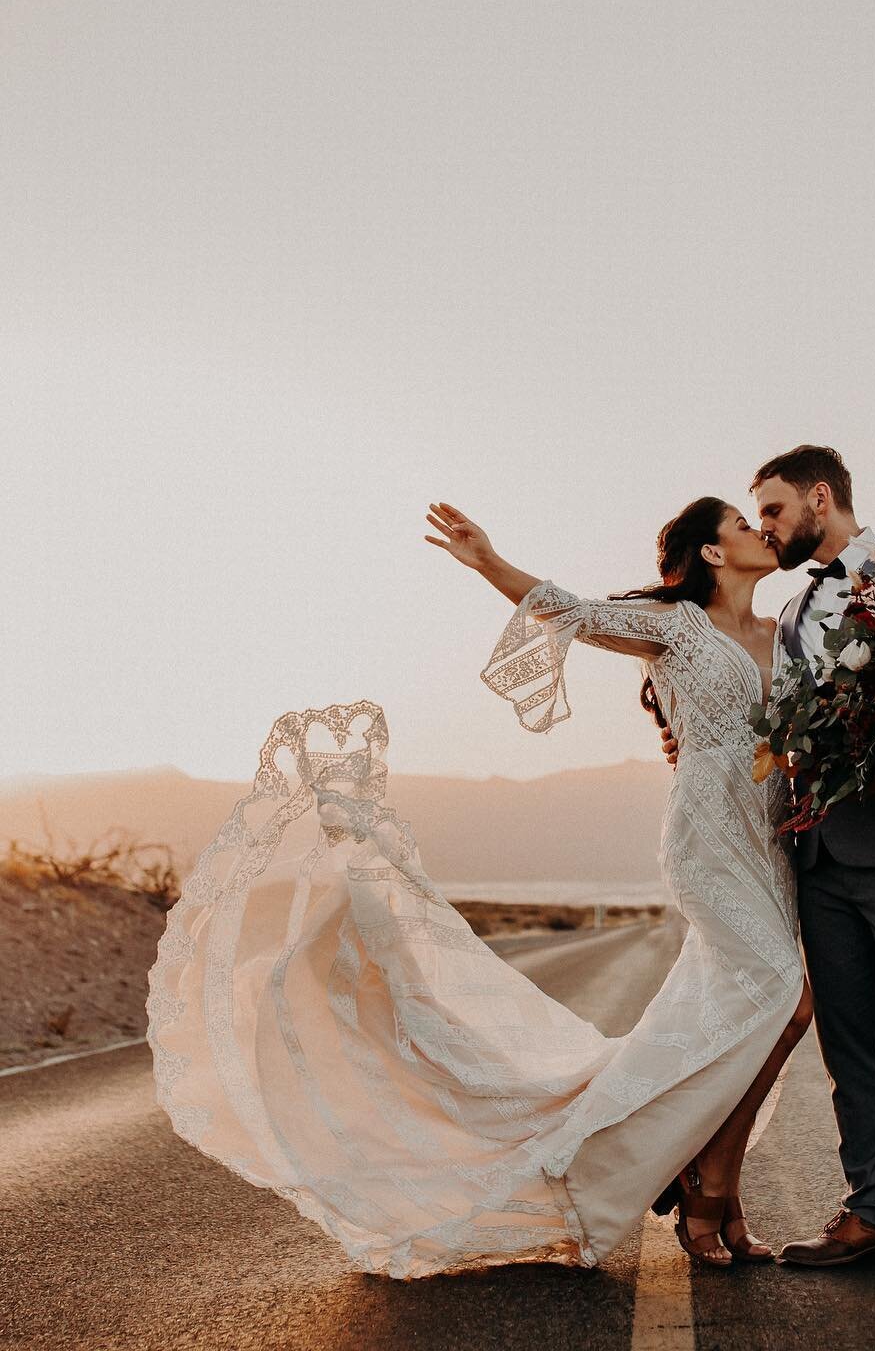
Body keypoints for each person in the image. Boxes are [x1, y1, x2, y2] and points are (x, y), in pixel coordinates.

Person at [146, 496, 814, 1278]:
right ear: (709, 551)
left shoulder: (785, 635)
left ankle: (710, 1182)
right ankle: (709, 1186)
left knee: (756, 1014)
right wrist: (489, 560)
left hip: (771, 840)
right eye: (743, 523)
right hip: (707, 838)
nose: (760, 532)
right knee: (786, 997)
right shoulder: (674, 628)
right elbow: (570, 609)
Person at [659, 446, 875, 1271]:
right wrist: (691, 736)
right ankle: (872, 1214)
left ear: (821, 498)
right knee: (849, 1048)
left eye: (775, 511)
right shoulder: (787, 620)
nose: (768, 528)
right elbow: (761, 719)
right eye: (758, 518)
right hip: (815, 857)